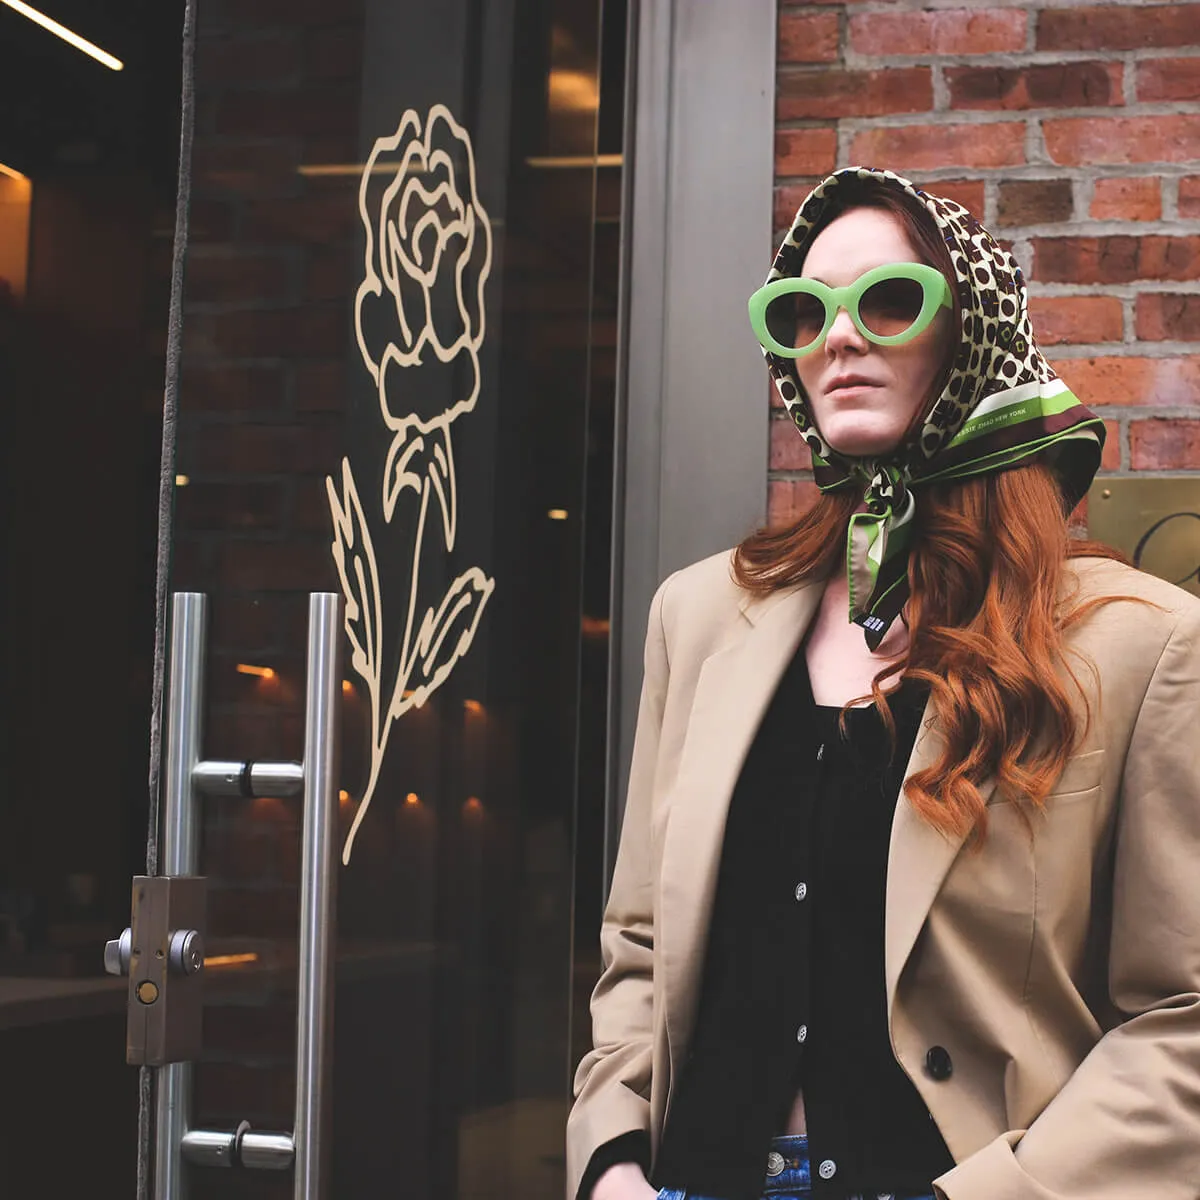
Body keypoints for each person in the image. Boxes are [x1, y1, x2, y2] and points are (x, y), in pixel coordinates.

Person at [566, 166, 1200, 1200]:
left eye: (890, 301)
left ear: (972, 334)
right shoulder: (699, 616)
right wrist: (610, 1159)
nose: (840, 338)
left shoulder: (1140, 648)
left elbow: (1183, 1025)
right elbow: (639, 946)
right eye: (803, 312)